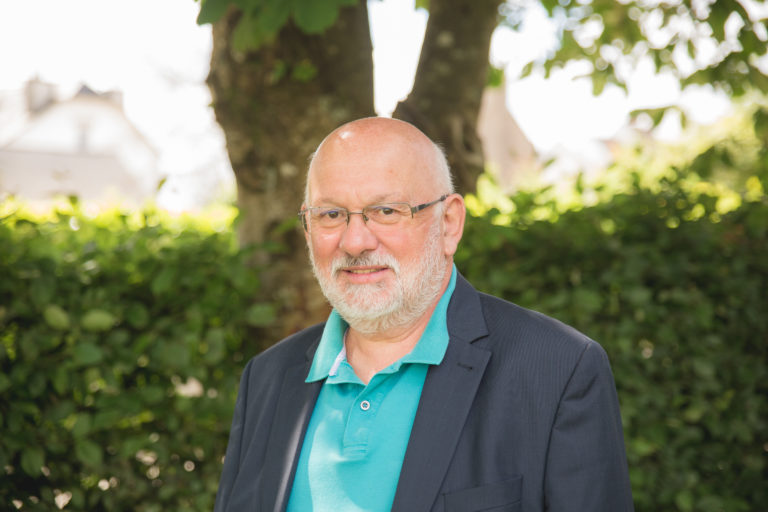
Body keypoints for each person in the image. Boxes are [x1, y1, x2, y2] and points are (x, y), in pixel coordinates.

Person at [214, 117, 634, 512]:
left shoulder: (557, 370)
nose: (355, 241)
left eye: (386, 211)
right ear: (308, 229)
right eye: (331, 214)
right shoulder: (267, 378)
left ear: (449, 223)